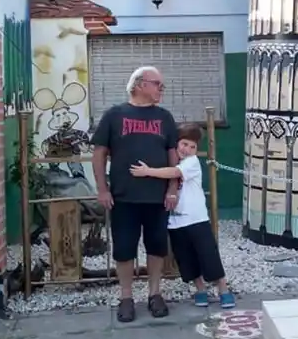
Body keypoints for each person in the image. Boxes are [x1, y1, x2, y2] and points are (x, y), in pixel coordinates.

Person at [91, 65, 180, 322]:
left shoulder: (165, 117)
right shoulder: (114, 115)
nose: (161, 89)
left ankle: (154, 294)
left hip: (157, 197)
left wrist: (173, 188)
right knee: (124, 250)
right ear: (140, 84)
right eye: (157, 84)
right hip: (123, 197)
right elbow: (99, 154)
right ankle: (126, 297)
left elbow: (173, 155)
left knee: (156, 248)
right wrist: (102, 189)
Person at [130, 124, 235, 309]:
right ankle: (200, 289)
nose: (187, 149)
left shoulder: (191, 163)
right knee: (186, 258)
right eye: (184, 144)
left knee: (208, 254)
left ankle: (223, 289)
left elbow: (175, 173)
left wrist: (148, 171)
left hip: (196, 218)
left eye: (192, 146)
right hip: (176, 221)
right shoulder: (170, 160)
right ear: (177, 143)